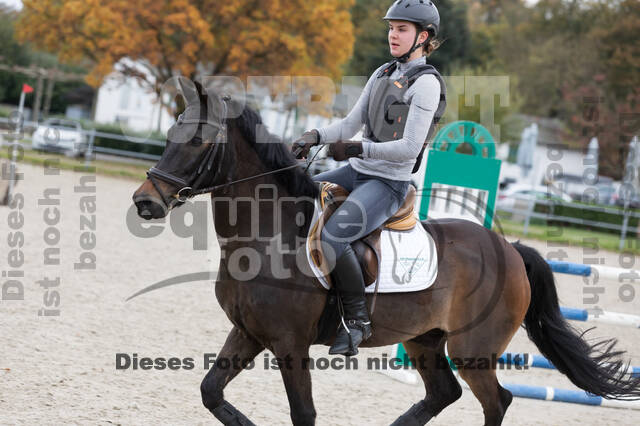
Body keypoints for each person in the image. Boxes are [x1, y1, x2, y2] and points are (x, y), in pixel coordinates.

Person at [292, 0, 447, 356]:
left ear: (423, 37)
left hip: (388, 184)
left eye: (402, 29)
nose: (393, 34)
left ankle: (358, 322)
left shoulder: (425, 84)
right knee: (294, 197)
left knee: (332, 237)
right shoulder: (382, 73)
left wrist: (360, 150)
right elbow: (349, 125)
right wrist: (314, 136)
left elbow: (408, 148)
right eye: (391, 28)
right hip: (358, 172)